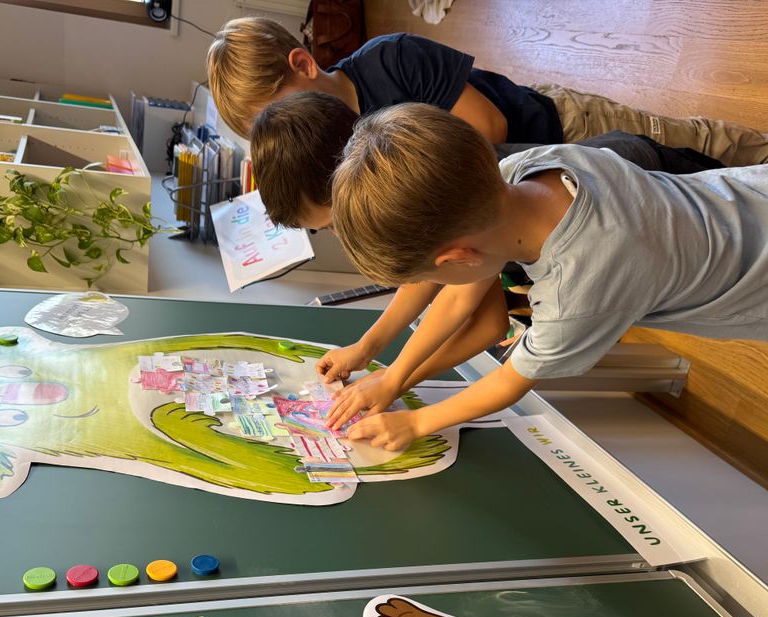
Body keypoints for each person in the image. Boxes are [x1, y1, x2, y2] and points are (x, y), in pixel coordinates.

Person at [325, 103, 768, 450]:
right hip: (746, 196)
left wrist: (417, 421)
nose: (444, 288)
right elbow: (461, 299)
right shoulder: (528, 168)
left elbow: (509, 381)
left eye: (433, 278)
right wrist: (394, 376)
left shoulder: (578, 292)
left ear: (457, 258)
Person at [249, 91, 725, 388]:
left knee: (727, 165)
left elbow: (478, 315)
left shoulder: (462, 211)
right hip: (633, 208)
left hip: (650, 180)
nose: (345, 232)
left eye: (334, 223)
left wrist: (395, 376)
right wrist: (373, 351)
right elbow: (446, 287)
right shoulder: (439, 188)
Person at [206, 17, 768, 165]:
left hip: (555, 124)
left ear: (303, 64)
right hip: (551, 176)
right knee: (678, 174)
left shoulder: (392, 58)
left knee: (691, 141)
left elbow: (490, 129)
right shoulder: (339, 141)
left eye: (278, 114)